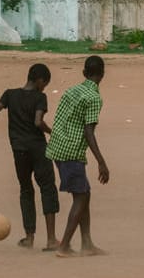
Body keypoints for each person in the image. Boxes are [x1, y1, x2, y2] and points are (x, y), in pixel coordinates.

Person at [0, 63, 59, 249]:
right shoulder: (40, 97)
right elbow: (38, 121)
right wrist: (51, 132)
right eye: (45, 83)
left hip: (19, 150)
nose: (44, 87)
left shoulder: (10, 94)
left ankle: (29, 237)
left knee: (26, 190)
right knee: (47, 188)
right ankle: (51, 239)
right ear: (41, 80)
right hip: (39, 149)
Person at [46, 55, 110, 257]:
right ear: (102, 75)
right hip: (72, 151)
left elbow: (61, 118)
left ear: (84, 73)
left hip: (57, 147)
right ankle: (64, 246)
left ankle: (87, 243)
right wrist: (101, 161)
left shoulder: (71, 91)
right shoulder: (93, 98)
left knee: (84, 193)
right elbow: (88, 132)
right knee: (80, 197)